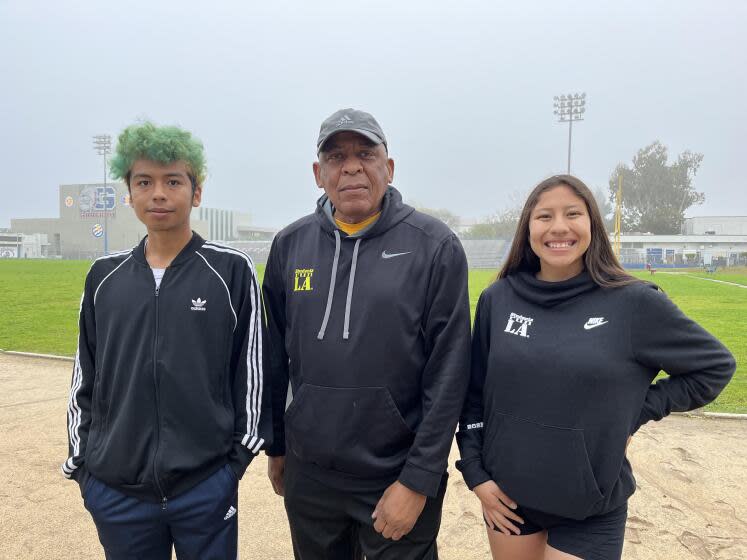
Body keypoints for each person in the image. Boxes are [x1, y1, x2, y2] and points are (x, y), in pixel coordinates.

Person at [456, 175, 736, 560]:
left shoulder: (634, 302)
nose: (558, 227)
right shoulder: (498, 299)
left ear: (592, 225)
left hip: (590, 505)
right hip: (508, 499)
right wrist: (477, 476)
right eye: (544, 216)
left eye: (573, 213)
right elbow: (473, 395)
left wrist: (634, 412)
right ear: (528, 227)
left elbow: (714, 367)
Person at [262, 108, 471, 559]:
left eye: (365, 153)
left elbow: (450, 374)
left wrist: (418, 480)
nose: (351, 166)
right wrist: (277, 447)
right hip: (311, 476)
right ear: (319, 174)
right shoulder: (290, 246)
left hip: (395, 476)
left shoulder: (434, 247)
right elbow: (275, 358)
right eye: (336, 157)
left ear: (388, 168)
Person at [62, 122, 270, 559]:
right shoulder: (104, 276)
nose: (158, 193)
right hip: (116, 493)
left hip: (205, 486)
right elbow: (86, 374)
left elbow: (252, 374)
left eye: (173, 181)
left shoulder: (231, 271)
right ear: (130, 192)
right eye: (145, 182)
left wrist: (231, 468)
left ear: (196, 192)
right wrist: (84, 469)